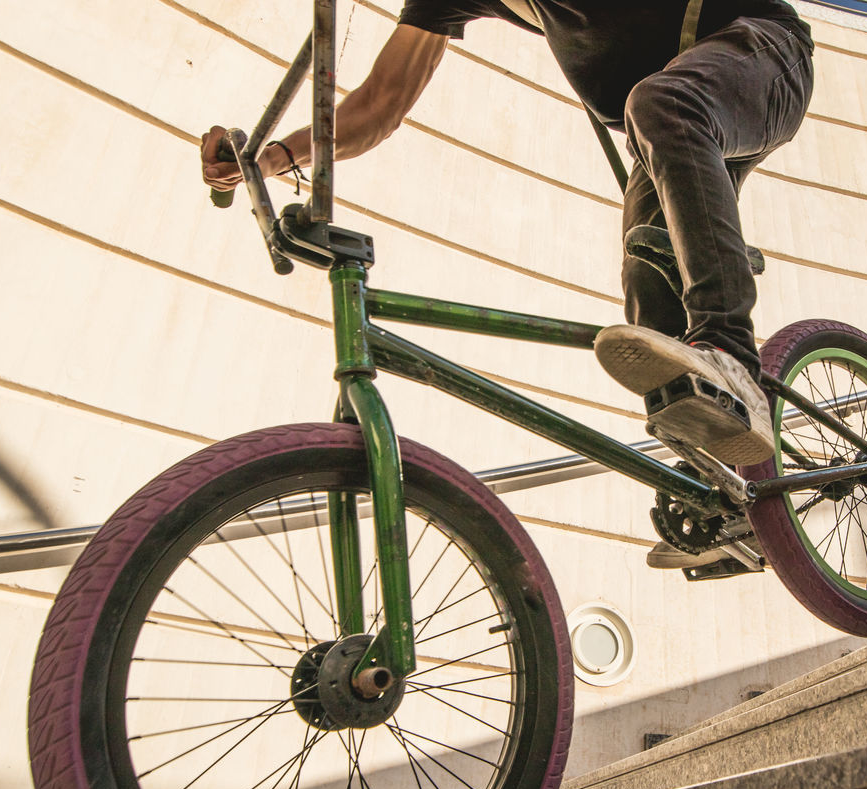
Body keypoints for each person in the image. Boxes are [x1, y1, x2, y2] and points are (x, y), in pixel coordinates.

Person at [203, 0, 814, 565]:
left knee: (662, 106)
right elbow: (378, 104)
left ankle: (731, 347)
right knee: (648, 287)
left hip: (764, 55)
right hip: (674, 121)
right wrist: (274, 157)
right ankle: (735, 500)